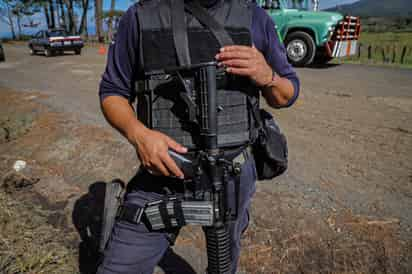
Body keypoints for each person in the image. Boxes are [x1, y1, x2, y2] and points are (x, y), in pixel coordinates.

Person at [97, 0, 300, 273]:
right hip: (163, 174)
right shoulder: (141, 17)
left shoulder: (254, 16)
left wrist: (268, 76)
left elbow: (286, 94)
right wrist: (139, 135)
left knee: (223, 266)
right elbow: (112, 92)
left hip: (233, 175)